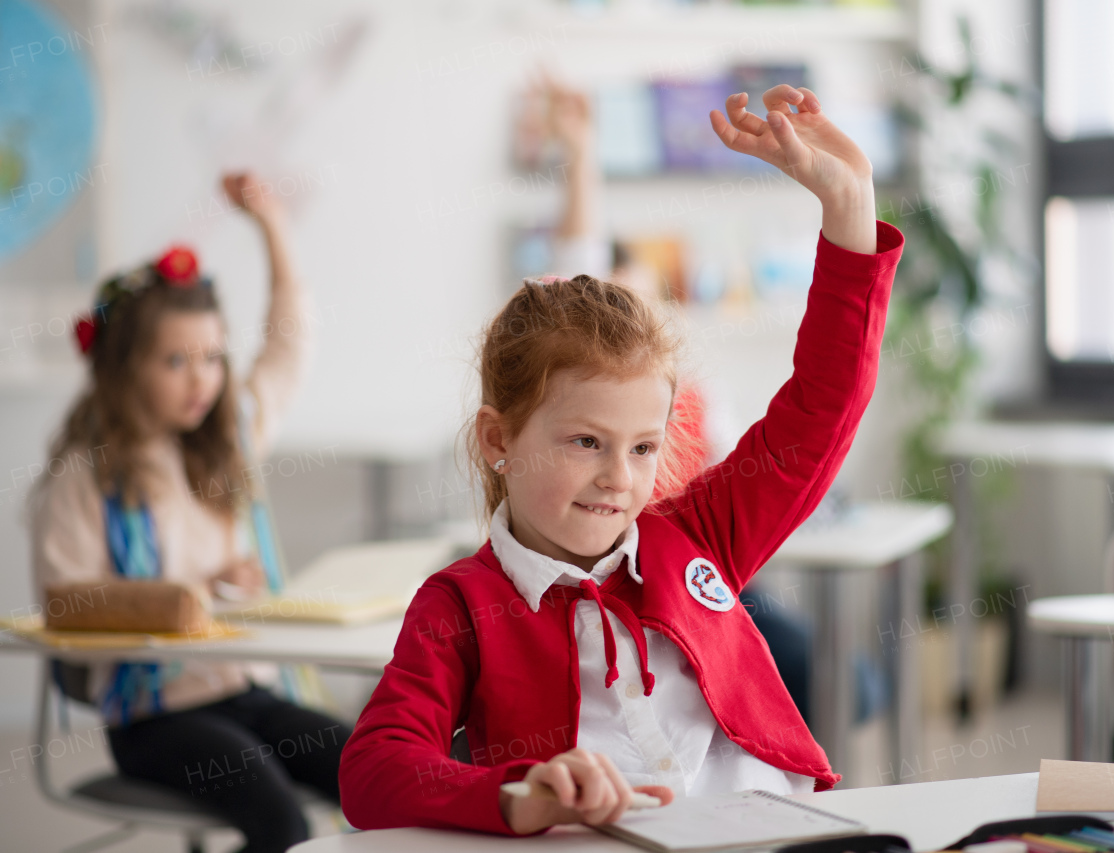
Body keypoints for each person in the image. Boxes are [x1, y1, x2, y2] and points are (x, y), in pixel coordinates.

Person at [339, 83, 903, 835]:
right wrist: (519, 792)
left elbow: (823, 404)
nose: (619, 477)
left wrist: (849, 207)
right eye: (585, 443)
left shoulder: (699, 533)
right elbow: (375, 766)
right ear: (498, 439)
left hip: (788, 830)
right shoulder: (460, 605)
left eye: (643, 447)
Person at [29, 173, 351, 853]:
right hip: (156, 715)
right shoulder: (85, 479)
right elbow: (67, 602)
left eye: (212, 356)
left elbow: (291, 345)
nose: (202, 376)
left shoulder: (227, 442)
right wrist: (194, 594)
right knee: (279, 817)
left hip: (247, 690)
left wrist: (269, 224)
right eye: (176, 359)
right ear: (123, 367)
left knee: (365, 768)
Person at [535, 72, 814, 718]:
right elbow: (576, 258)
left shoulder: (696, 394)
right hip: (617, 581)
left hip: (694, 570)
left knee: (791, 649)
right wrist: (579, 153)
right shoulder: (578, 381)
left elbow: (747, 473)